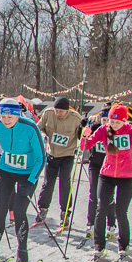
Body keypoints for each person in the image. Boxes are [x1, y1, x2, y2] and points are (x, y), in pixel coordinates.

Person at [0, 98, 45, 262]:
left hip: (28, 173)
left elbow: (42, 158)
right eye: (3, 116)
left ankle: (22, 252)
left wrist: (31, 181)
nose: (6, 120)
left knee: (18, 211)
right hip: (6, 170)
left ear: (18, 115)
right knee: (0, 207)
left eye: (10, 117)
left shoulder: (30, 127)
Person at [83, 104, 132, 260]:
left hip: (126, 176)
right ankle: (98, 246)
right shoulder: (103, 130)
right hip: (106, 175)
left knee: (121, 213)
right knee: (101, 210)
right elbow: (85, 146)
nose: (114, 125)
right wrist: (84, 136)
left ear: (125, 121)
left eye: (117, 122)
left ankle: (123, 246)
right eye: (112, 122)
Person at [35, 96, 83, 225]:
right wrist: (44, 136)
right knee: (47, 183)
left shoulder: (76, 118)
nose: (58, 114)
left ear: (67, 111)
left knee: (64, 183)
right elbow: (39, 127)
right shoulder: (48, 113)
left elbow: (83, 135)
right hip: (52, 153)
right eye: (57, 111)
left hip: (67, 155)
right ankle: (43, 209)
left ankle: (65, 212)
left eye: (61, 111)